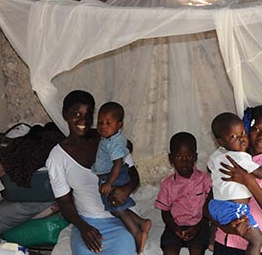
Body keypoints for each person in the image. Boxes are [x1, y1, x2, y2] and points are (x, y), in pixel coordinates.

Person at [46, 90, 140, 255]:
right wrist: (84, 228)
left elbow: (133, 175)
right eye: (76, 114)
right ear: (65, 114)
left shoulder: (109, 139)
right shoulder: (57, 157)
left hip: (121, 218)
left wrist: (126, 189)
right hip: (87, 223)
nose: (83, 120)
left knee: (125, 247)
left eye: (88, 115)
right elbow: (65, 202)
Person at [207, 112, 262, 255]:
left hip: (261, 250)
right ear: (248, 128)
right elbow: (209, 204)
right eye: (256, 129)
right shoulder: (235, 157)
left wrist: (248, 181)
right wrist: (226, 227)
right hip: (226, 241)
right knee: (256, 240)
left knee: (257, 241)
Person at [91, 101, 151, 254]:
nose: (103, 126)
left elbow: (118, 164)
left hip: (114, 177)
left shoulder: (114, 143)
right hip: (110, 176)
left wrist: (110, 183)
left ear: (119, 125)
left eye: (108, 123)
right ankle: (142, 223)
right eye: (100, 122)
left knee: (117, 207)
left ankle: (137, 233)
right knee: (116, 209)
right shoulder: (109, 138)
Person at [155, 132, 212, 255]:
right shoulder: (167, 184)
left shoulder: (205, 180)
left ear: (196, 157)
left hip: (200, 225)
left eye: (189, 156)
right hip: (175, 226)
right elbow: (165, 211)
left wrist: (197, 228)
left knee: (197, 250)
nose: (184, 161)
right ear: (171, 159)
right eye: (179, 157)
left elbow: (209, 208)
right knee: (169, 251)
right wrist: (175, 229)